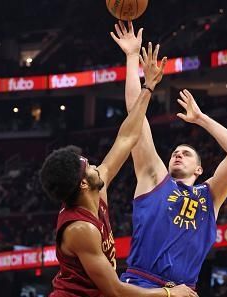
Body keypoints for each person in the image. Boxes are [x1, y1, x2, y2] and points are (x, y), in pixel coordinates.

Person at [40, 38, 197, 297]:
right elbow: (114, 290)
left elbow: (126, 137)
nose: (95, 165)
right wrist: (170, 294)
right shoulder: (81, 229)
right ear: (82, 183)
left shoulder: (96, 188)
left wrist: (147, 86)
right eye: (88, 166)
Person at [111, 21, 227, 289]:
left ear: (199, 170)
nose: (177, 155)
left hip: (183, 292)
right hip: (141, 285)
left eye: (186, 154)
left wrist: (201, 119)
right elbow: (134, 115)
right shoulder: (154, 177)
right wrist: (131, 57)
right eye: (175, 152)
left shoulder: (211, 196)